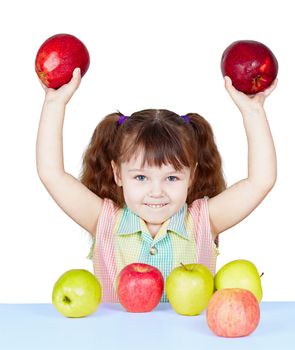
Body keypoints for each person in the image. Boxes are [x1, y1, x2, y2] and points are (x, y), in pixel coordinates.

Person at [36, 67, 277, 302]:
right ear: (118, 174)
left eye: (171, 178)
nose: (156, 191)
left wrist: (253, 111)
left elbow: (260, 181)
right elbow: (52, 174)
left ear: (191, 176)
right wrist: (54, 104)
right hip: (117, 341)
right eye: (141, 177)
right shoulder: (104, 220)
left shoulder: (204, 221)